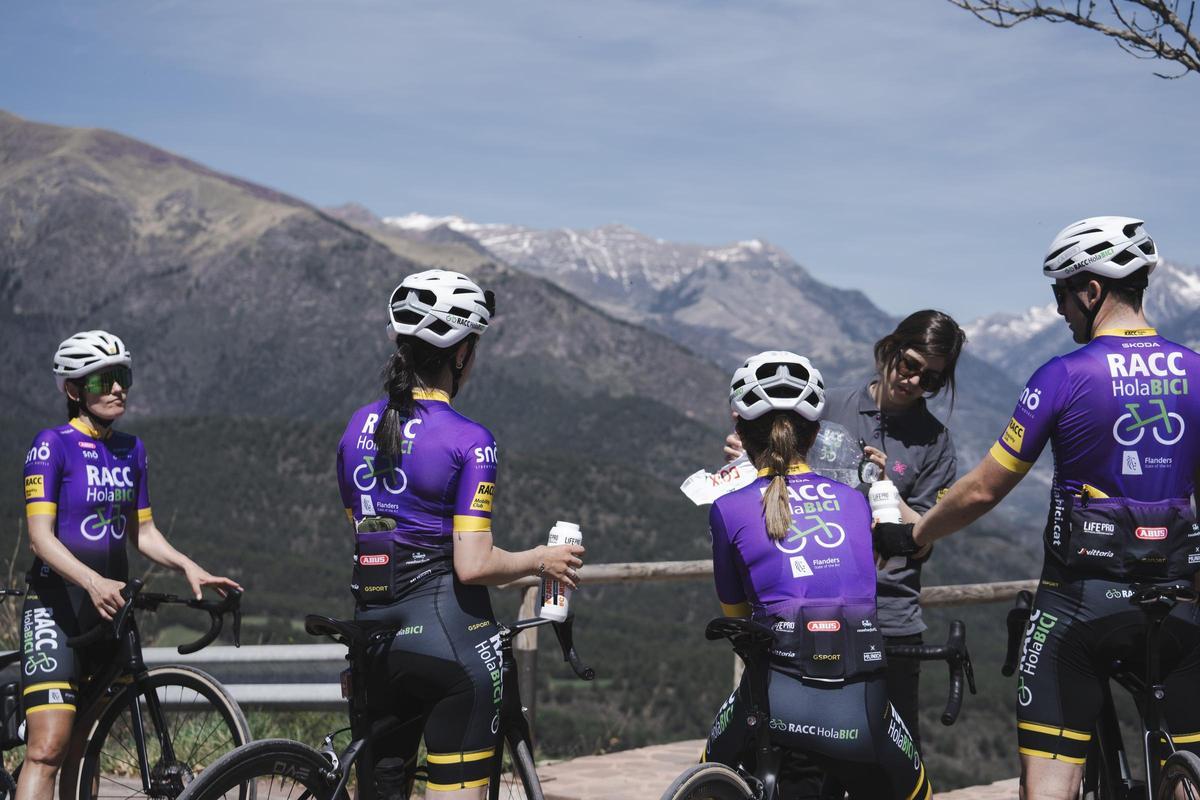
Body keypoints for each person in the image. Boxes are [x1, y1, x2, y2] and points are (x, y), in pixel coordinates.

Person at [875, 217, 1200, 800]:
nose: (1058, 310)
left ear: (1091, 291)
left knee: (1049, 781)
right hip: (1179, 603)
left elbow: (985, 488)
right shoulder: (1195, 372)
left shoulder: (1063, 376)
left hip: (1081, 602)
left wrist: (917, 534)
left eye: (1061, 294)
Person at [335, 270, 584, 800]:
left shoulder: (357, 426)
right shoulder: (471, 440)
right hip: (448, 639)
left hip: (372, 636)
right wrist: (541, 559)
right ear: (462, 353)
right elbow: (473, 565)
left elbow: (362, 529)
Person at [724, 310, 965, 747]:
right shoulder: (826, 405)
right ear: (890, 349)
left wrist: (887, 490)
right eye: (910, 364)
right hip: (802, 603)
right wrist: (748, 455)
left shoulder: (936, 441)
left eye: (930, 379)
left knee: (890, 759)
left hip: (889, 618)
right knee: (797, 755)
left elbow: (924, 540)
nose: (914, 381)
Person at [19, 330, 241, 800]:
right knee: (48, 748)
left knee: (86, 747)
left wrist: (188, 566)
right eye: (103, 380)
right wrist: (91, 580)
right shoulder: (52, 445)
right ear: (73, 390)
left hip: (109, 609)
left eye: (123, 376)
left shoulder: (131, 449)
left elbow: (142, 532)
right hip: (56, 606)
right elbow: (40, 539)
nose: (118, 388)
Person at [705, 351, 933, 800]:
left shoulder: (727, 509)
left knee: (710, 772)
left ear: (740, 432)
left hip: (776, 699)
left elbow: (737, 616)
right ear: (815, 434)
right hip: (862, 706)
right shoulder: (854, 502)